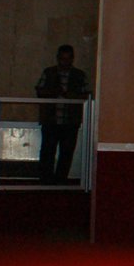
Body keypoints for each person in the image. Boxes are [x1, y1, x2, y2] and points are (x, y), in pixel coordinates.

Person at [35, 44, 89, 184]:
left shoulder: (79, 75)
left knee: (66, 153)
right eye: (62, 59)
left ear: (72, 59)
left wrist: (69, 95)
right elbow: (40, 91)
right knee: (48, 151)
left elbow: (85, 95)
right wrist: (56, 92)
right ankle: (45, 181)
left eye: (67, 59)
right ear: (58, 58)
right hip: (51, 120)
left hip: (70, 121)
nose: (64, 62)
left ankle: (60, 181)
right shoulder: (49, 72)